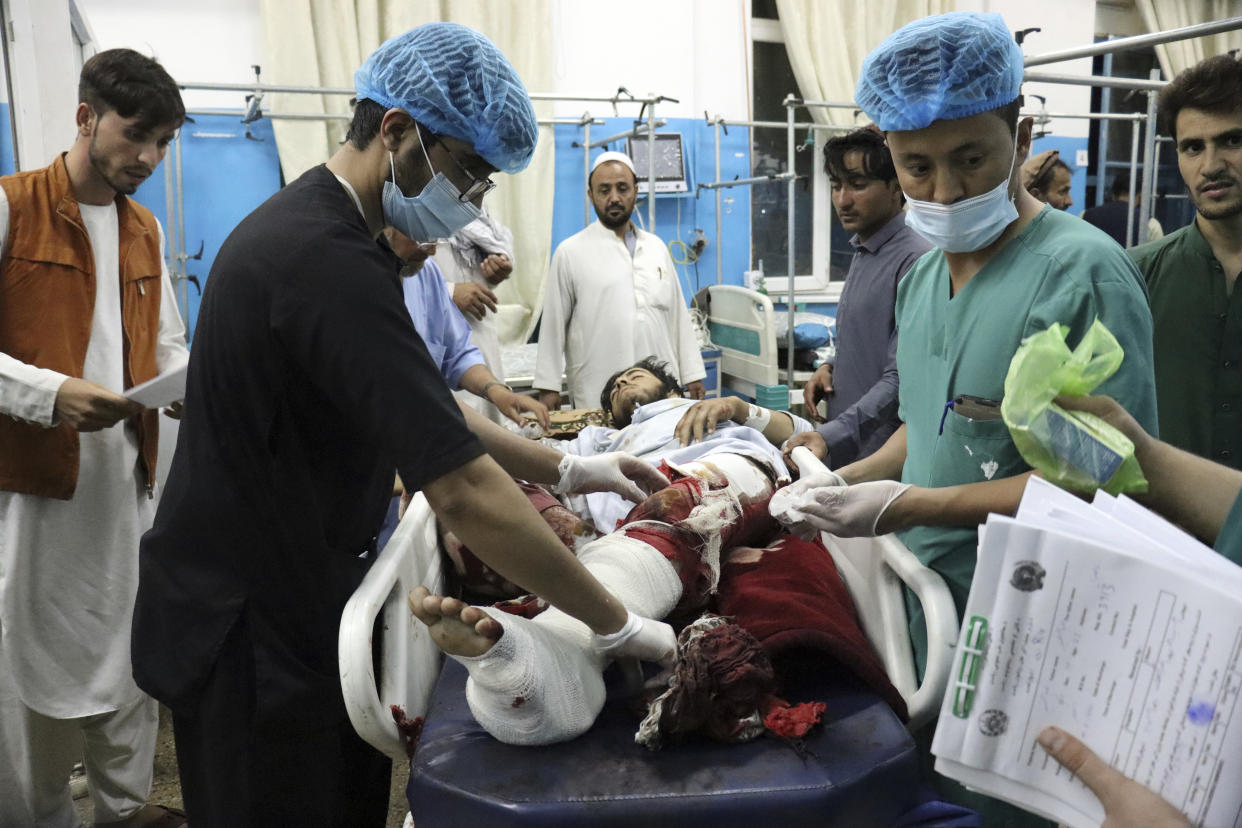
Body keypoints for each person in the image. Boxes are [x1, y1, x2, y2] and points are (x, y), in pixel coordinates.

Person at [131, 25, 671, 827]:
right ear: (396, 133)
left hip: (295, 593)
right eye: (468, 173)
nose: (474, 201)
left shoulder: (332, 236)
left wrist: (568, 471)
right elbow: (458, 490)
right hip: (249, 624)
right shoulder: (321, 259)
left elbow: (427, 401)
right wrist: (617, 619)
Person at [779, 12, 1157, 825]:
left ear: (1019, 135)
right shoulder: (921, 284)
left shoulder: (1081, 273)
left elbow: (1107, 486)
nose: (944, 192)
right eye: (917, 167)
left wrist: (911, 506)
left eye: (971, 160)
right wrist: (832, 487)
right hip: (926, 615)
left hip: (1040, 626)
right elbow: (930, 429)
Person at [409, 358, 914, 751]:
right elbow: (503, 468)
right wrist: (571, 470)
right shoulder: (597, 438)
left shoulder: (716, 414)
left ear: (675, 391)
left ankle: (562, 647)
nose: (626, 382)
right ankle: (580, 623)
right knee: (477, 496)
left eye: (637, 375)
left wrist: (739, 409)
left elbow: (799, 434)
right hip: (607, 530)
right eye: (616, 387)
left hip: (718, 475)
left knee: (688, 501)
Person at [0, 49, 188, 828]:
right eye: (135, 135)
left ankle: (124, 813)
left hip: (125, 501)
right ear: (86, 118)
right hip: (31, 505)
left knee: (129, 672)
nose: (146, 158)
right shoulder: (12, 208)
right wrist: (49, 395)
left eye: (162, 144)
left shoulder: (145, 227)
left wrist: (189, 384)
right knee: (24, 693)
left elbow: (169, 343)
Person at [1128, 53, 1242, 471]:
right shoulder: (1133, 279)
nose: (1210, 166)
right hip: (1156, 530)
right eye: (1193, 147)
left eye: (1233, 140)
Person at [800, 128, 932, 468]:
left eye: (857, 185)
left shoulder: (915, 260)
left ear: (895, 187)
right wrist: (829, 366)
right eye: (836, 186)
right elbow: (861, 335)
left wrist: (830, 435)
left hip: (883, 455)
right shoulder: (865, 250)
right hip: (848, 443)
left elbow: (899, 379)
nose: (843, 199)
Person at [535, 151, 706, 410]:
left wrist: (692, 374)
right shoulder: (571, 252)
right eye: (604, 190)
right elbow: (552, 326)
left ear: (636, 191)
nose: (614, 197)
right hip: (598, 389)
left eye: (622, 188)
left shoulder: (656, 248)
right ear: (591, 195)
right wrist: (549, 388)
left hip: (661, 391)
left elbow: (678, 317)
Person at [386, 226, 549, 428]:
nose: (432, 251)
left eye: (436, 241)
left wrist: (496, 390)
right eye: (422, 239)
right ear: (387, 226)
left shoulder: (426, 274)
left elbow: (457, 354)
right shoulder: (358, 278)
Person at [434, 206, 518, 423]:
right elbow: (397, 281)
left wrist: (496, 271)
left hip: (479, 346)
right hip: (440, 354)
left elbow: (488, 264)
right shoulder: (415, 216)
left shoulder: (473, 214)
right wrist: (450, 292)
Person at [1081, 174, 1165, 248]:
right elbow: (1157, 259)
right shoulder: (1150, 224)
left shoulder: (1085, 216)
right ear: (1140, 196)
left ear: (1113, 194)